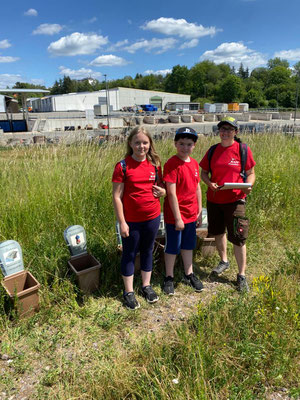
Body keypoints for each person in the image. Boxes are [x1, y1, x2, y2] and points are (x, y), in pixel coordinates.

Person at [199, 116, 256, 291]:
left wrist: (249, 186)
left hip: (235, 200)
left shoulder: (243, 150)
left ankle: (241, 275)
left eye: (229, 130)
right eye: (222, 129)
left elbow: (251, 173)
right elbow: (204, 173)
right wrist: (209, 183)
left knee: (238, 237)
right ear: (219, 132)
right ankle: (224, 260)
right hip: (214, 199)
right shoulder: (212, 150)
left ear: (235, 132)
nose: (225, 133)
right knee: (217, 232)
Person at [112, 126, 166, 309]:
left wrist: (163, 192)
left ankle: (146, 286)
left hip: (152, 216)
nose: (141, 146)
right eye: (137, 142)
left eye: (145, 142)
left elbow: (163, 188)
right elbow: (117, 196)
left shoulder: (155, 165)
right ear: (130, 144)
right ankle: (128, 292)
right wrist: (122, 222)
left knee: (148, 250)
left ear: (150, 144)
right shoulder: (123, 166)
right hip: (131, 220)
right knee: (129, 253)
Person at [163, 127, 203, 295]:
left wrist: (199, 209)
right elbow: (171, 192)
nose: (185, 148)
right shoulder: (172, 164)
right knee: (173, 246)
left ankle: (189, 273)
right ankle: (169, 277)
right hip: (176, 216)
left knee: (188, 245)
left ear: (194, 145)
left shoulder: (194, 164)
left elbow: (197, 188)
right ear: (175, 144)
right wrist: (178, 218)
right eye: (181, 144)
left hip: (191, 213)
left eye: (189, 144)